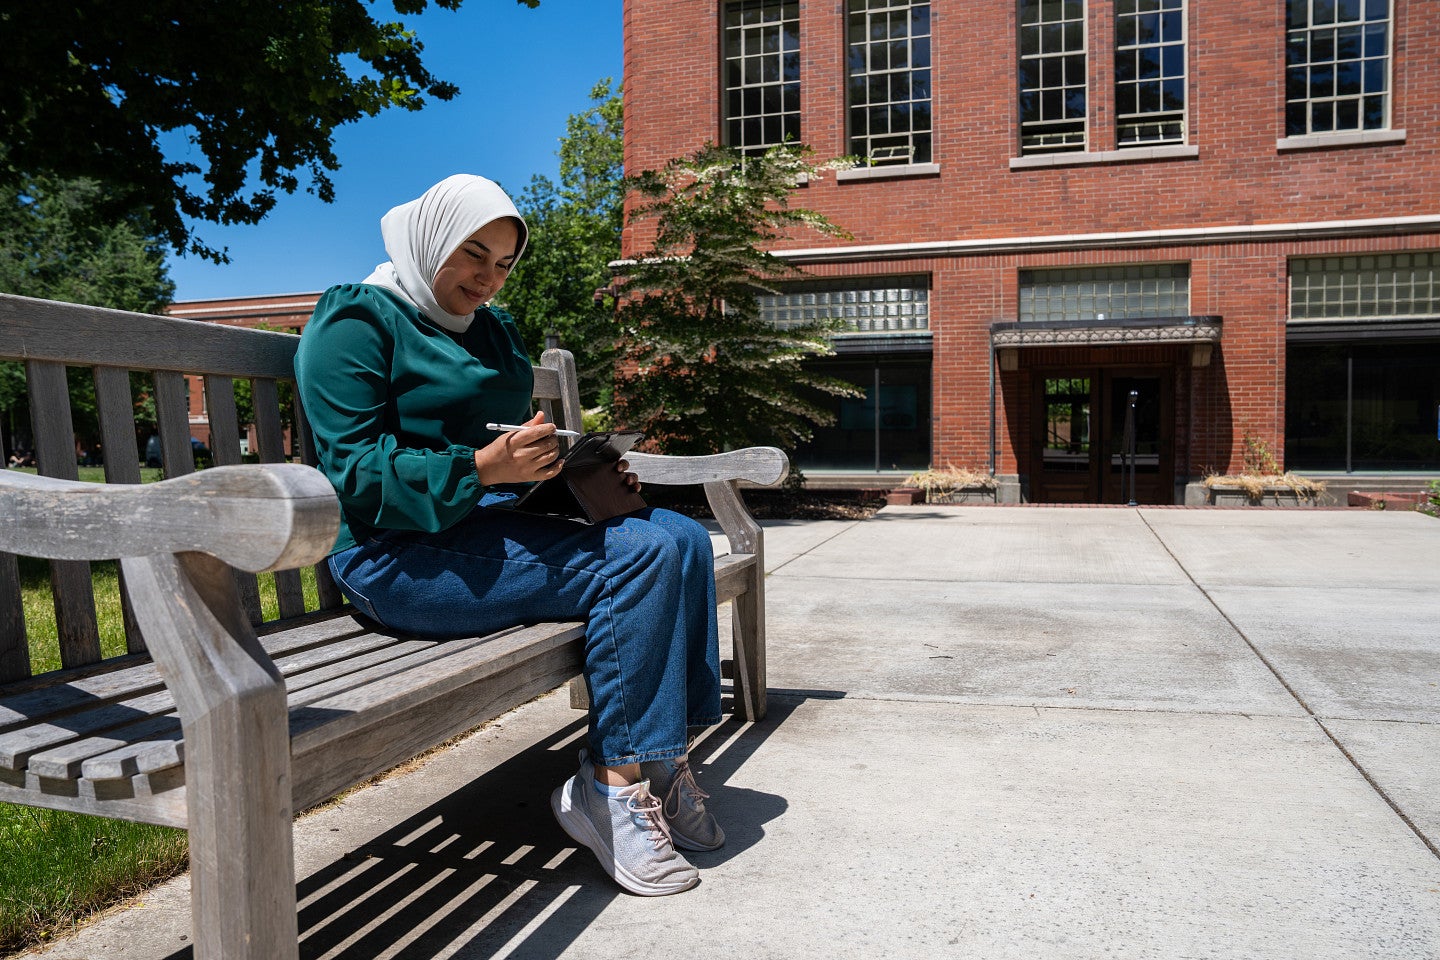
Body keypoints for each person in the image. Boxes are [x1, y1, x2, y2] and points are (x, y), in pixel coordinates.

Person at [294, 174, 724, 897]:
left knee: (680, 535)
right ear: (431, 239)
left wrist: (572, 471)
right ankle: (611, 787)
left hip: (478, 529)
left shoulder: (491, 329)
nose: (488, 279)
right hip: (391, 556)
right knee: (641, 557)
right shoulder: (357, 320)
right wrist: (481, 467)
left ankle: (663, 756)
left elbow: (504, 448)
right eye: (473, 255)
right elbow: (354, 473)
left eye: (503, 264)